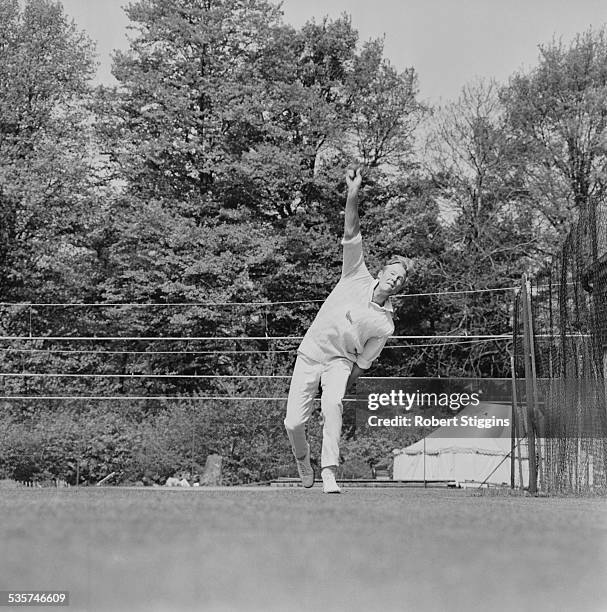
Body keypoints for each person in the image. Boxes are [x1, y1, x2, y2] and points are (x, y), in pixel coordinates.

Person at [283, 167, 414, 493]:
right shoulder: (355, 273)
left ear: (399, 287)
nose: (394, 279)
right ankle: (303, 458)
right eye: (392, 273)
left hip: (340, 362)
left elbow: (363, 363)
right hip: (311, 353)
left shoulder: (385, 325)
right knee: (293, 423)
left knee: (333, 405)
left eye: (400, 279)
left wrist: (339, 387)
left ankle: (329, 471)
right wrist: (352, 194)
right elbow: (351, 229)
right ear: (382, 272)